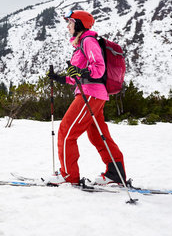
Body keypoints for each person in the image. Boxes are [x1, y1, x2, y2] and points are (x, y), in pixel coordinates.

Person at [44, 10, 126, 186]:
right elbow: (78, 77)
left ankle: (68, 175)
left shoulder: (88, 41)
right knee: (98, 136)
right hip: (94, 94)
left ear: (79, 24)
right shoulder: (81, 43)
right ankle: (115, 173)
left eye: (71, 23)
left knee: (66, 132)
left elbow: (99, 68)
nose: (68, 26)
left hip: (90, 94)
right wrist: (61, 78)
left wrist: (82, 71)